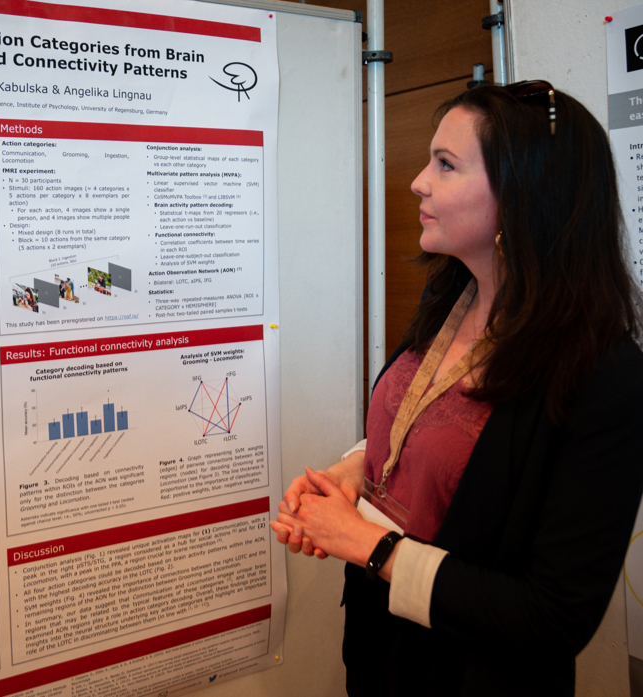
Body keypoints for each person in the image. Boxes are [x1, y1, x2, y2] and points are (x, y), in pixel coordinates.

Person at [270, 82, 643, 696]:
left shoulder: (604, 376)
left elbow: (551, 617)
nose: (419, 181)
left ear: (523, 194)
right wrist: (356, 469)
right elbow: (445, 426)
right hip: (379, 653)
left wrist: (365, 543)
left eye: (445, 165)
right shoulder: (453, 296)